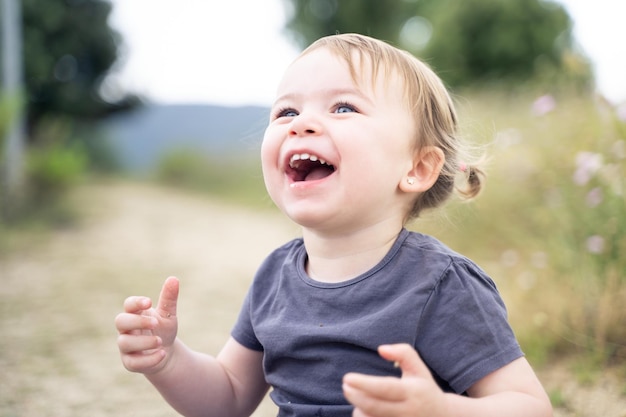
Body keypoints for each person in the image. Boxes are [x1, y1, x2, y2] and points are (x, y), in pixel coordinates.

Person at [115, 33, 552, 417]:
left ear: (417, 168)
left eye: (343, 107)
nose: (301, 123)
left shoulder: (440, 285)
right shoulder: (274, 276)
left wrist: (442, 411)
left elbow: (530, 407)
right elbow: (227, 399)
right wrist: (168, 360)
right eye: (285, 112)